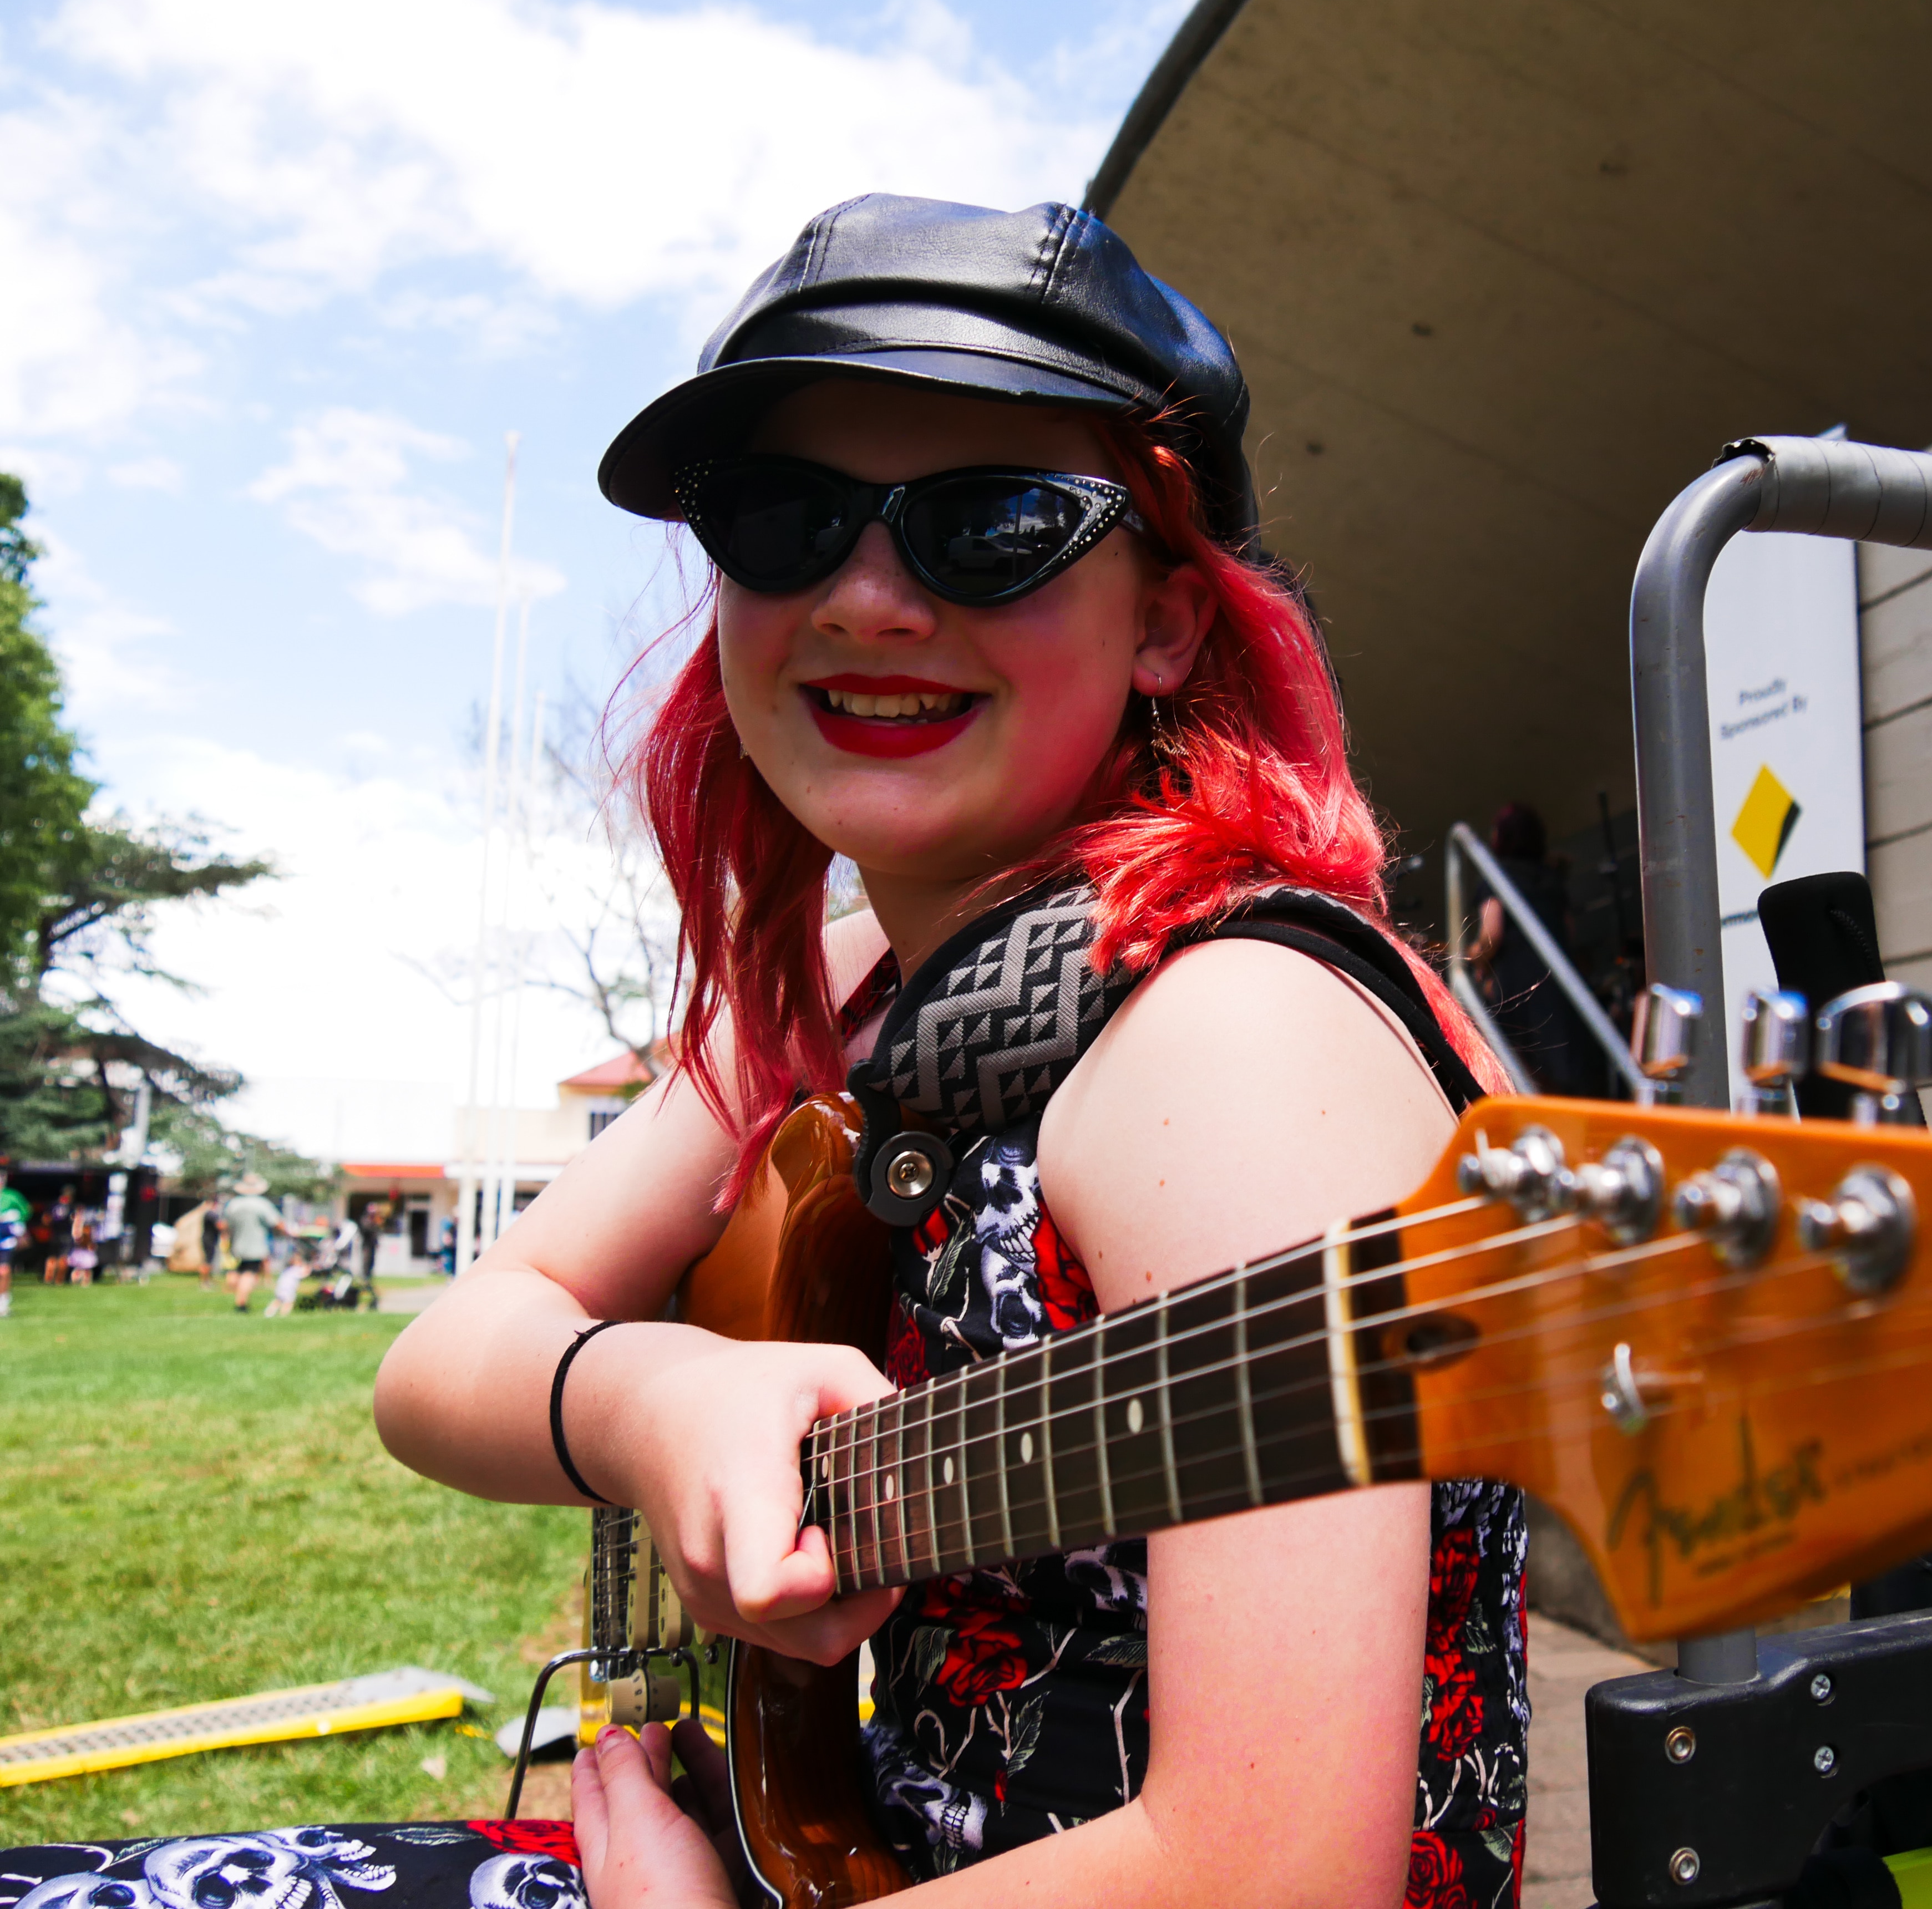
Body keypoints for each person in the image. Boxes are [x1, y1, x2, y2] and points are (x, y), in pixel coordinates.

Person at [364, 195, 1530, 1907]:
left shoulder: (1230, 1040)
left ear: (1167, 624)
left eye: (992, 525)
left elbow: (1277, 1873)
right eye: (789, 519)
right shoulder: (833, 987)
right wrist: (648, 1398)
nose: (866, 597)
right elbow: (445, 1355)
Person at [1466, 801, 1603, 1096]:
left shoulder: (1496, 875)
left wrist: (1472, 956)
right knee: (1562, 1075)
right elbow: (1569, 933)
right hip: (1558, 986)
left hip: (1517, 987)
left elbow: (1491, 935)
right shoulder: (1552, 880)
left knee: (1520, 1071)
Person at [221, 1174, 283, 1314]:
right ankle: (241, 1304)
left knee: (241, 1269)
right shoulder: (262, 1204)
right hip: (256, 1245)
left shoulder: (233, 1204)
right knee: (250, 1273)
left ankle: (233, 1282)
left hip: (237, 1243)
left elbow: (225, 1225)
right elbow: (277, 1222)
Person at [0, 1179, 24, 1318]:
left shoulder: (12, 1197)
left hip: (5, 1241)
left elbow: (24, 1211)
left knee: (4, 1271)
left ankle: (3, 1302)